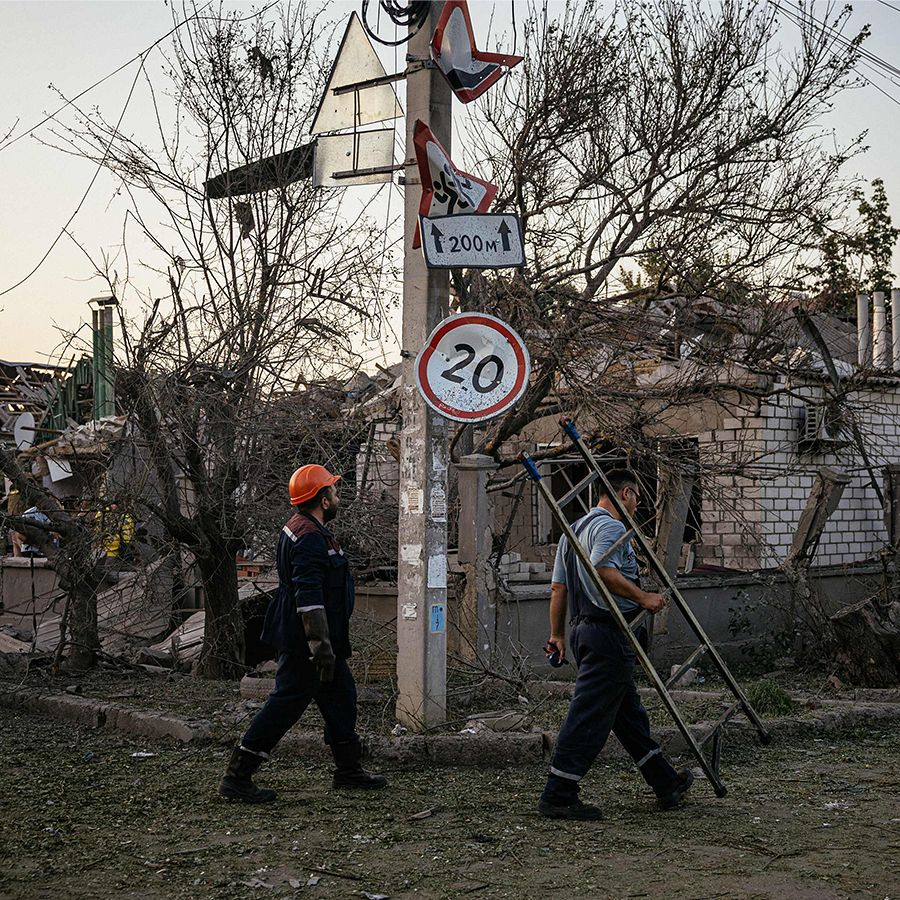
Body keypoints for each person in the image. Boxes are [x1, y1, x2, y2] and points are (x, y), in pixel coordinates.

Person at [218, 464, 387, 803]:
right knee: (286, 703)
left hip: (317, 638)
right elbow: (309, 597)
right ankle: (237, 777)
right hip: (306, 639)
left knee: (341, 696)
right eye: (334, 492)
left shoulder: (303, 528)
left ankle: (348, 770)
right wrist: (320, 648)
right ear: (323, 500)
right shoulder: (310, 537)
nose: (338, 496)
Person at [538, 468, 693, 820]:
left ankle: (665, 782)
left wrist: (558, 634)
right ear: (625, 493)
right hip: (609, 631)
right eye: (637, 495)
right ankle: (558, 793)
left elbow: (559, 589)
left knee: (627, 714)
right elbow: (602, 569)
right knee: (589, 714)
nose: (638, 504)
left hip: (582, 629)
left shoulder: (572, 532)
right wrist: (643, 597)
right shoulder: (611, 527)